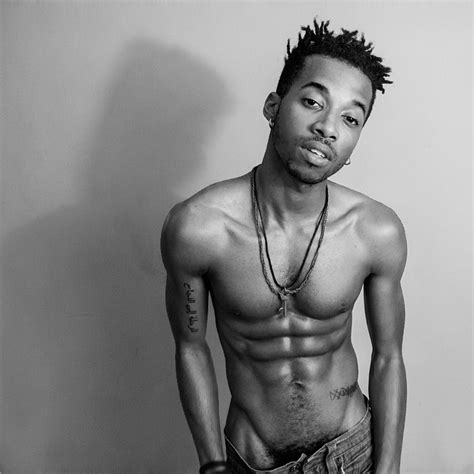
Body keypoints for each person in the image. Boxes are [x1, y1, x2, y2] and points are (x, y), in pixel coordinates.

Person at [161, 17, 407, 474]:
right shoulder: (198, 228)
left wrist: (388, 467)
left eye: (350, 118)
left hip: (353, 453)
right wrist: (212, 464)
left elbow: (389, 356)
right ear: (273, 106)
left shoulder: (376, 231)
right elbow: (190, 347)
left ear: (355, 141)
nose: (328, 127)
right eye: (313, 101)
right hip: (252, 461)